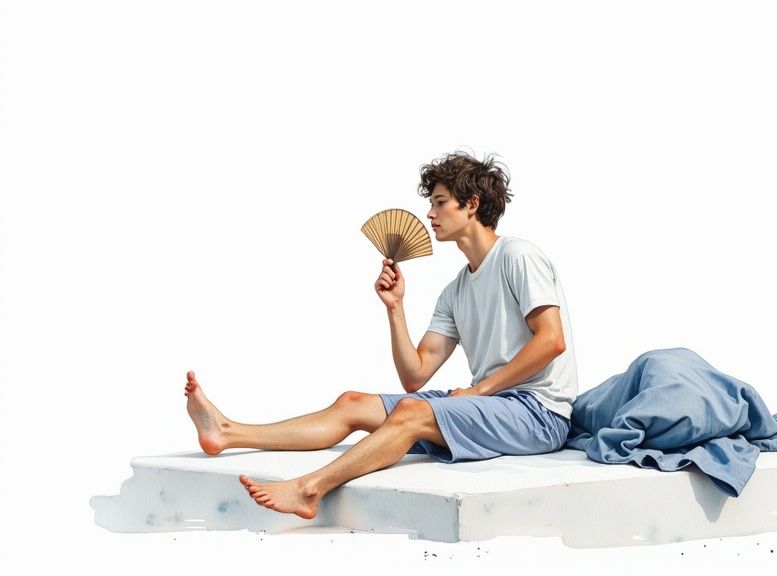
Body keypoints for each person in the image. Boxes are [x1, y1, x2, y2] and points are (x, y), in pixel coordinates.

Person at [182, 151, 578, 519]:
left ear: (471, 204)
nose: (430, 212)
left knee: (410, 413)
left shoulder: (517, 256)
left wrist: (478, 392)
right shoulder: (455, 291)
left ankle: (310, 489)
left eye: (440, 202)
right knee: (352, 403)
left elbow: (551, 340)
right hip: (492, 405)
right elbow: (415, 375)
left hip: (537, 413)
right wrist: (395, 308)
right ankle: (228, 432)